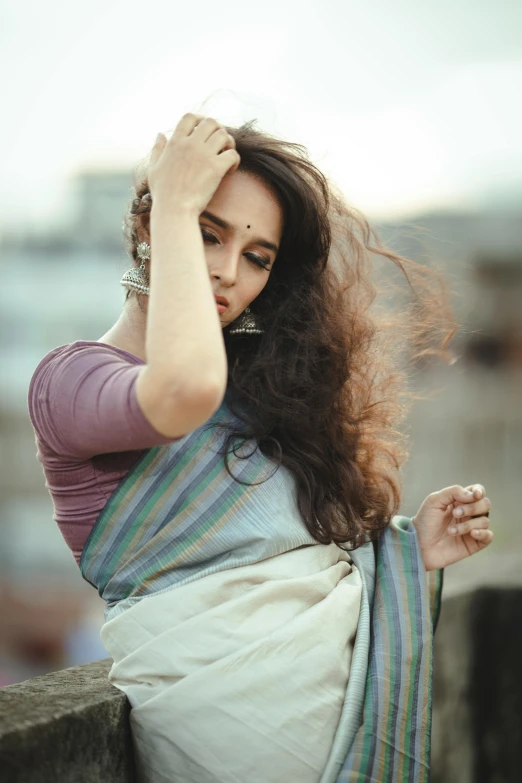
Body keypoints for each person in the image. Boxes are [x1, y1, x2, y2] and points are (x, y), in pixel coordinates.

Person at [28, 113, 493, 782]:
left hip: (337, 714)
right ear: (147, 227)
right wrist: (176, 198)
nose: (224, 271)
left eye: (256, 257)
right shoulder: (70, 382)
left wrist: (407, 552)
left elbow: (282, 572)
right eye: (205, 233)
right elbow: (181, 387)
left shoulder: (255, 398)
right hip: (219, 732)